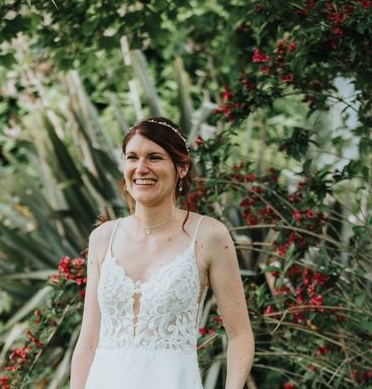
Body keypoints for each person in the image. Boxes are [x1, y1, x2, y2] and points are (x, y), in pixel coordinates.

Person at [70, 116, 254, 389]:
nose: (141, 168)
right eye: (132, 157)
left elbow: (240, 335)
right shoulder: (103, 238)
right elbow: (88, 341)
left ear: (181, 167)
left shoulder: (209, 236)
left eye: (154, 157)